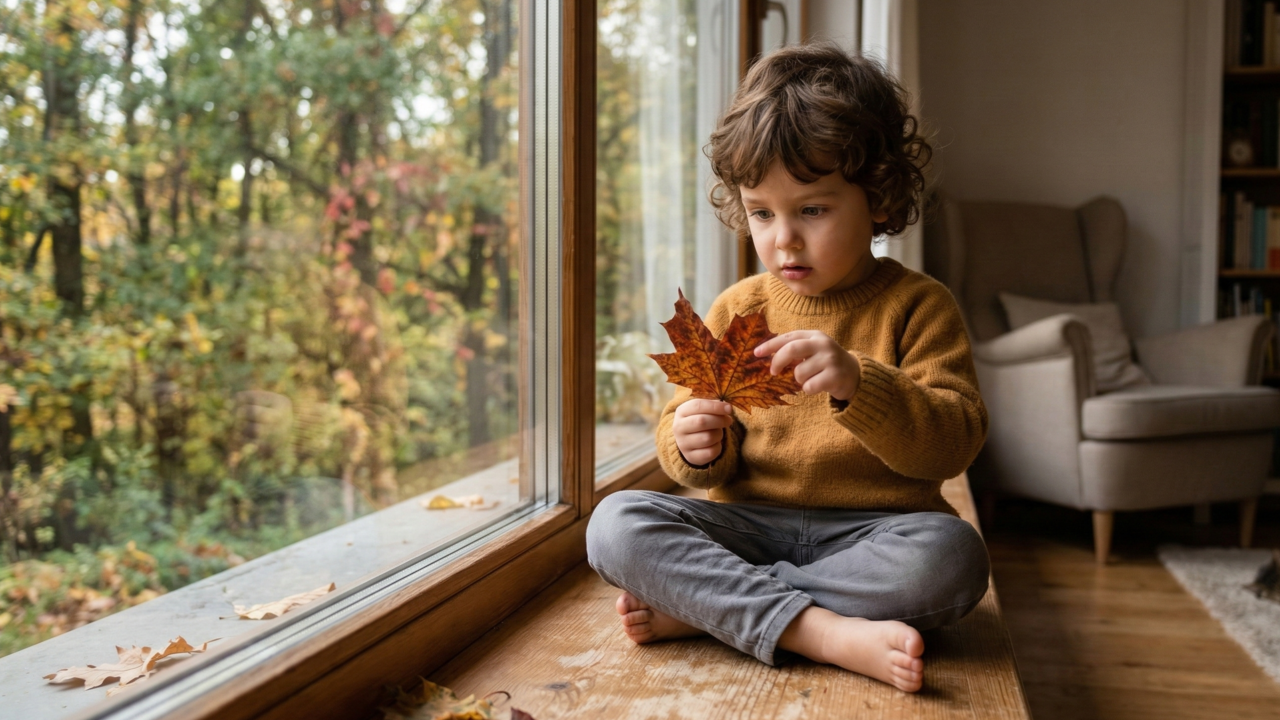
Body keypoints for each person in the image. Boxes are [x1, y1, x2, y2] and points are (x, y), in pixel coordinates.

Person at [585, 42, 990, 693]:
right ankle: (820, 631)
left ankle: (715, 609)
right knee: (614, 525)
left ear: (878, 197)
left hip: (874, 533)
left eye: (812, 210)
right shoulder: (737, 308)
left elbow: (954, 442)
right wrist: (693, 443)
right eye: (761, 213)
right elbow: (690, 450)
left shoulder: (920, 306)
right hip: (747, 527)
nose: (783, 239)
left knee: (953, 558)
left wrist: (860, 384)